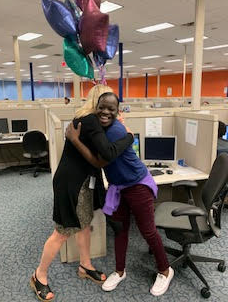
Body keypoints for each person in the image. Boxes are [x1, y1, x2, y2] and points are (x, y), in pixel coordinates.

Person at [30, 85, 134, 302]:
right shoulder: (90, 121)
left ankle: (85, 266)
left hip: (84, 181)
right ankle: (39, 275)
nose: (108, 111)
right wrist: (129, 136)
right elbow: (107, 153)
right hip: (71, 184)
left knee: (84, 224)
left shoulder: (89, 120)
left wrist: (118, 124)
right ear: (99, 102)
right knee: (62, 231)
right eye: (105, 105)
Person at [66, 92, 174, 297]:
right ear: (95, 107)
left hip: (137, 184)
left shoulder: (114, 130)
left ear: (118, 112)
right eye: (102, 107)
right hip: (118, 187)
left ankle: (165, 270)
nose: (105, 112)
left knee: (148, 231)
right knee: (120, 230)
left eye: (111, 109)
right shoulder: (99, 128)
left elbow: (100, 160)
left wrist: (75, 140)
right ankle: (119, 271)